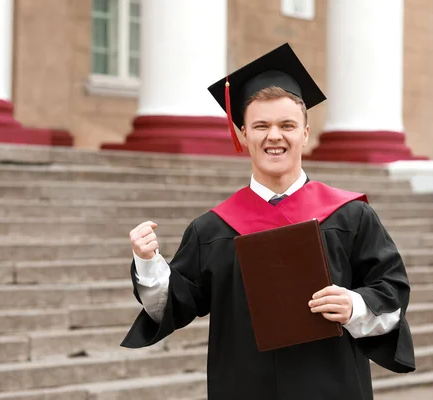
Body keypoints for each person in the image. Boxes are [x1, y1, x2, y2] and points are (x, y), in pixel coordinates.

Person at [121, 43, 415, 400]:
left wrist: (355, 305)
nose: (274, 136)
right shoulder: (213, 230)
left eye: (287, 125)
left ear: (305, 133)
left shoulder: (350, 216)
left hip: (332, 387)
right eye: (261, 125)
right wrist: (149, 262)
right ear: (243, 135)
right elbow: (174, 305)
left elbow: (392, 293)